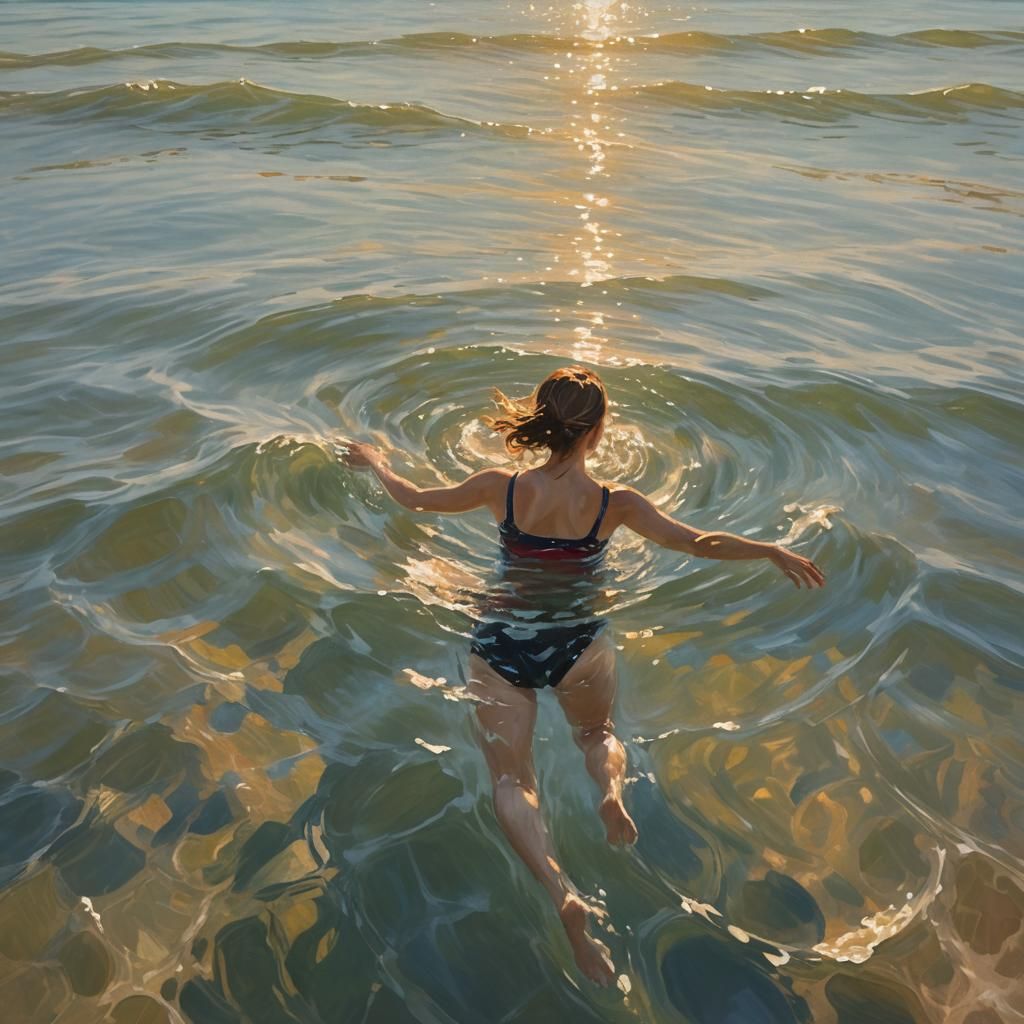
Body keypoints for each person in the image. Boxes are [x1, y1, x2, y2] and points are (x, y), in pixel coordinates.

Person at [338, 365, 825, 986]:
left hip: (502, 640)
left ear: (542, 425)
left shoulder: (501, 488)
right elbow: (698, 541)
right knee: (597, 735)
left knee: (512, 779)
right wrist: (770, 550)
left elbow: (414, 498)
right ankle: (610, 792)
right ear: (597, 431)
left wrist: (375, 461)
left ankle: (560, 892)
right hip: (577, 642)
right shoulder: (615, 504)